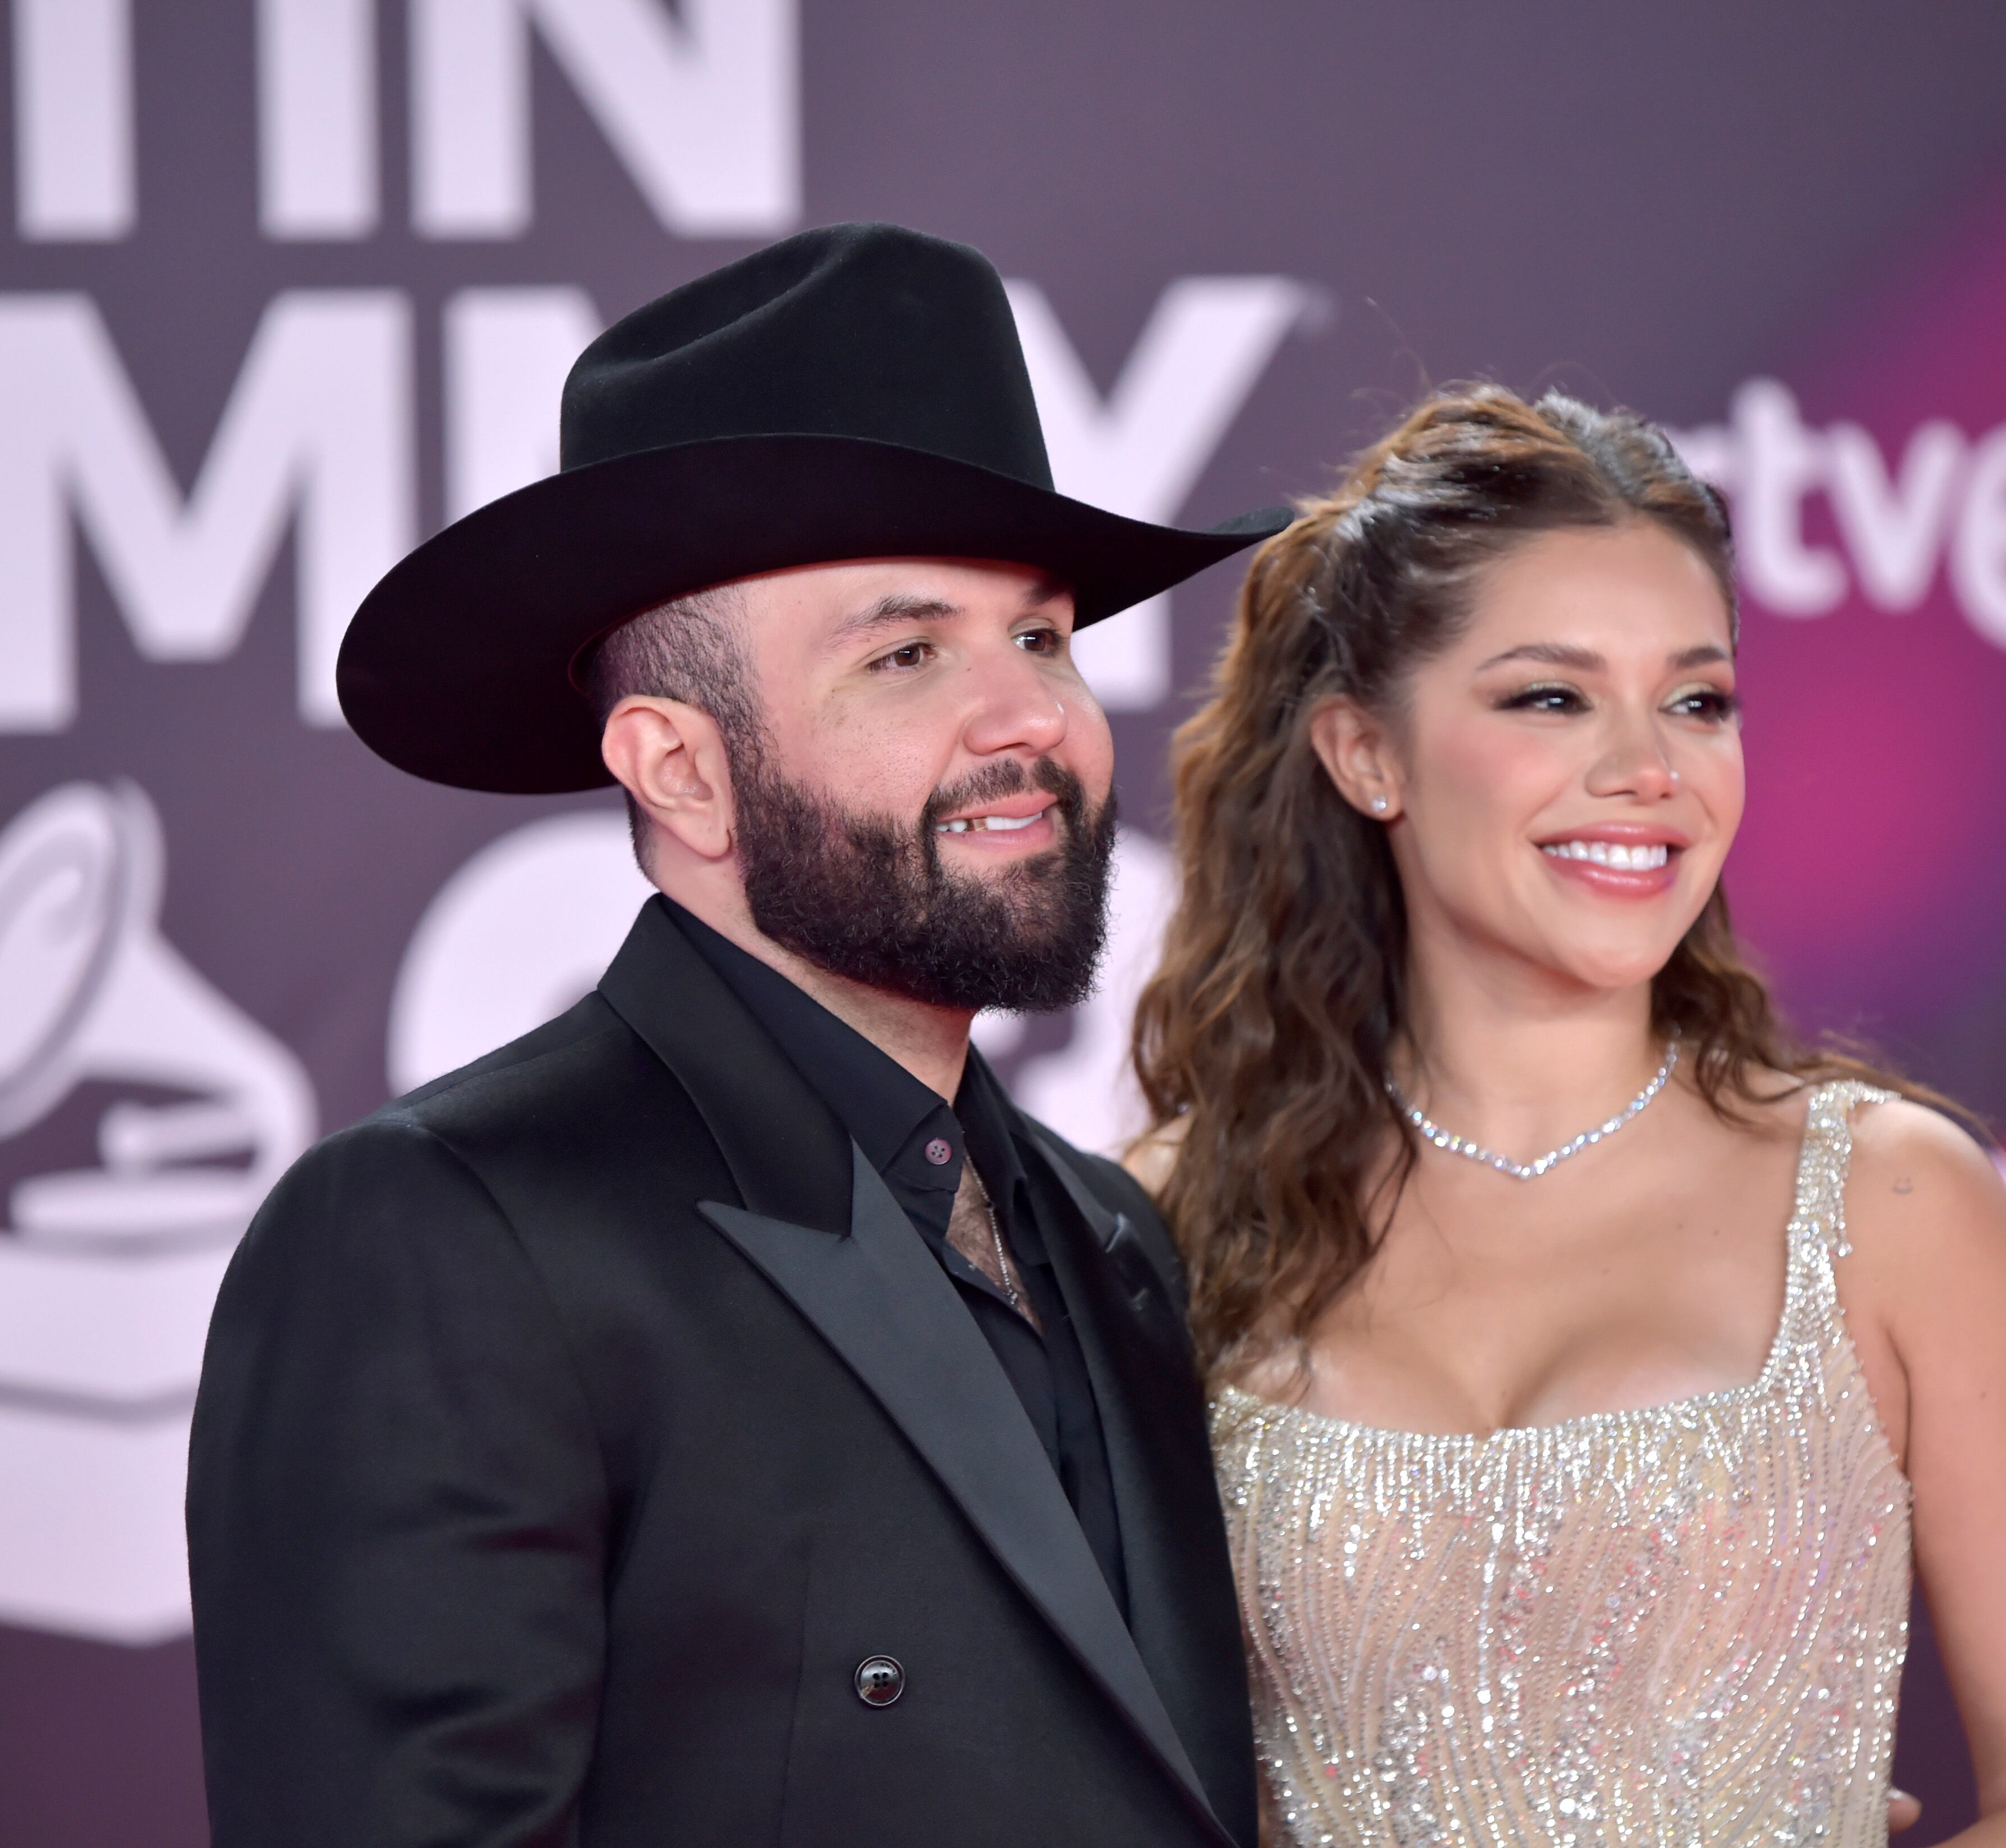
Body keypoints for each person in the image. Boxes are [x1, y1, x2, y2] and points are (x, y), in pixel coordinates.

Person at [185, 223, 1286, 1846]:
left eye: (1043, 636)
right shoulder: (439, 1242)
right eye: (909, 652)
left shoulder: (1116, 1234)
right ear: (677, 768)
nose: (1031, 720)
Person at [1129, 385, 2006, 1847]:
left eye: (1697, 700)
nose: (1651, 770)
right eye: (1552, 697)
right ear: (1368, 755)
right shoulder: (1167, 1219)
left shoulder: (1893, 1203)